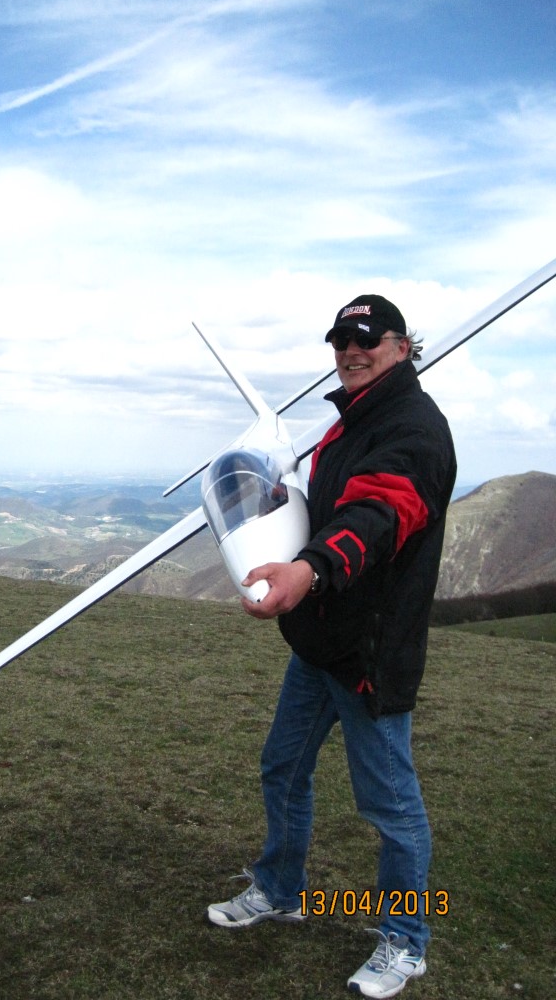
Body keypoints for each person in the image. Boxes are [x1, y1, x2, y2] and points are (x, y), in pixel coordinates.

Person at [207, 294, 457, 999]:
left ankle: (406, 941)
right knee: (282, 768)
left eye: (367, 340)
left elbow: (378, 514)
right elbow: (318, 505)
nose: (351, 351)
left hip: (369, 653)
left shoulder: (415, 430)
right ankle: (280, 889)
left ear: (402, 347)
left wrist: (309, 569)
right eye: (342, 341)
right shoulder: (350, 423)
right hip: (320, 641)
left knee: (390, 806)